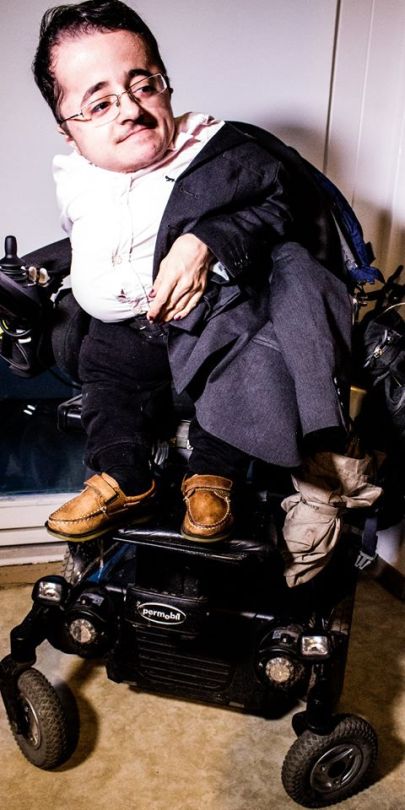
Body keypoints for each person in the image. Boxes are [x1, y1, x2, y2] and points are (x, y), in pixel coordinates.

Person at [32, 0, 380, 583]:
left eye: (143, 85)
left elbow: (279, 207)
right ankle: (124, 476)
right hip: (122, 332)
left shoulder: (217, 152)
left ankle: (212, 478)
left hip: (209, 322)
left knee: (233, 374)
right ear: (68, 130)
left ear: (166, 85)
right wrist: (40, 270)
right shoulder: (79, 176)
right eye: (99, 103)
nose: (130, 109)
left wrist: (206, 242)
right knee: (105, 384)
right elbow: (88, 239)